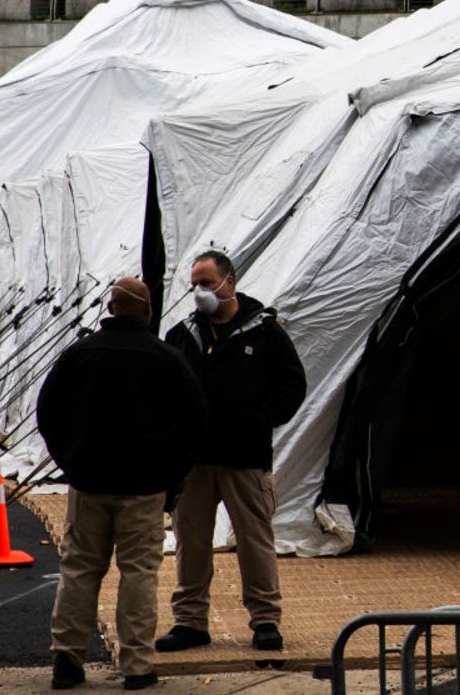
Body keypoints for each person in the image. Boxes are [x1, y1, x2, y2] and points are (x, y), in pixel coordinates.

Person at [37, 278, 206, 691]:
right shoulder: (165, 358)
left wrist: (70, 462)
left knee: (79, 568)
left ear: (110, 309)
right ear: (148, 311)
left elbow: (49, 412)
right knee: (139, 574)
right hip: (145, 487)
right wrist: (172, 477)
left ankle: (67, 660)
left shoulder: (80, 355)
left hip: (89, 482)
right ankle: (136, 665)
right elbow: (195, 422)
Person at [156, 250, 306, 653]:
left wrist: (260, 419)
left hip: (246, 459)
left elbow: (292, 386)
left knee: (255, 541)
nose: (200, 291)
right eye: (195, 284)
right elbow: (165, 391)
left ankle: (265, 620)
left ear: (229, 282)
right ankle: (190, 621)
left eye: (207, 282)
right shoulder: (182, 335)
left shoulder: (265, 334)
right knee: (191, 542)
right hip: (195, 462)